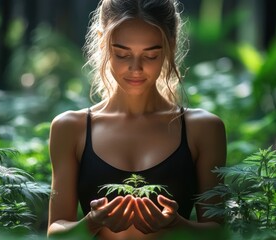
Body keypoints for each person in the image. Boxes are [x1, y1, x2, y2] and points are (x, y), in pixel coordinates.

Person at [47, 0, 227, 239]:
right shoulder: (70, 128)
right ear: (102, 42)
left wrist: (177, 225)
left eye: (151, 55)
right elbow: (55, 232)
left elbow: (220, 233)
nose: (136, 68)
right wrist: (90, 223)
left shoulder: (203, 129)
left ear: (170, 46)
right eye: (122, 54)